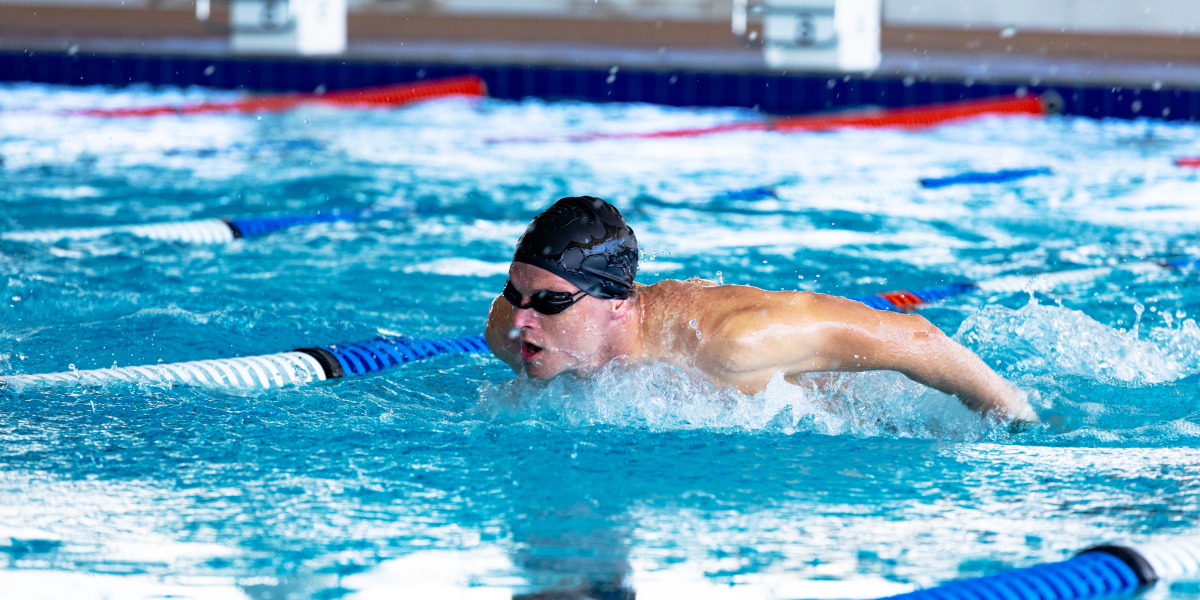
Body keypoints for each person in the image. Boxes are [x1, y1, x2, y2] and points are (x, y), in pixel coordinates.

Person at [484, 196, 1037, 422]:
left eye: (551, 302)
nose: (522, 319)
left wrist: (1019, 421)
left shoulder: (731, 343)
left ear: (619, 307)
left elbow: (918, 340)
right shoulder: (509, 333)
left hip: (868, 411)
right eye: (515, 294)